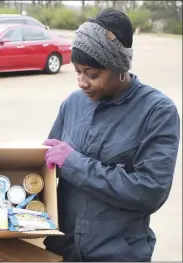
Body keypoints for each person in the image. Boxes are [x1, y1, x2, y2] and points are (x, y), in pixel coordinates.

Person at [43, 8, 180, 262]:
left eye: (92, 74)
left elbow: (151, 191)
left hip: (118, 253)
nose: (82, 82)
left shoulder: (157, 111)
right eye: (78, 71)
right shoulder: (73, 103)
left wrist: (74, 162)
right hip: (64, 250)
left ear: (119, 67)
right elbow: (48, 169)